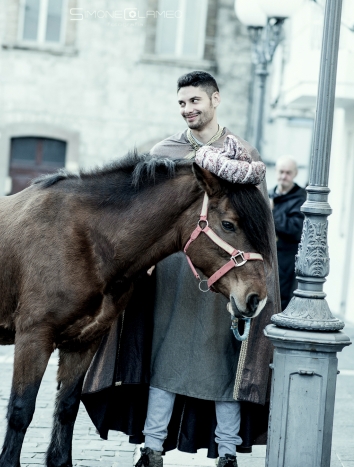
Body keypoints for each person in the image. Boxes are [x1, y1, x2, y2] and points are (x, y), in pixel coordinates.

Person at [79, 71, 281, 467]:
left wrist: (260, 276)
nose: (188, 109)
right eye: (182, 103)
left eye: (195, 101)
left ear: (215, 100)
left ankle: (227, 454)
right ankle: (151, 449)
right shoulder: (165, 152)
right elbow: (139, 217)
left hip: (226, 275)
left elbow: (258, 225)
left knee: (226, 365)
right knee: (164, 360)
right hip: (172, 273)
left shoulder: (243, 156)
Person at [268, 156, 306, 310]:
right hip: (265, 257)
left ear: (295, 174)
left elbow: (295, 229)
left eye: (288, 173)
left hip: (286, 261)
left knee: (279, 301)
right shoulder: (268, 194)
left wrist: (272, 212)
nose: (284, 176)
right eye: (281, 172)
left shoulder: (302, 199)